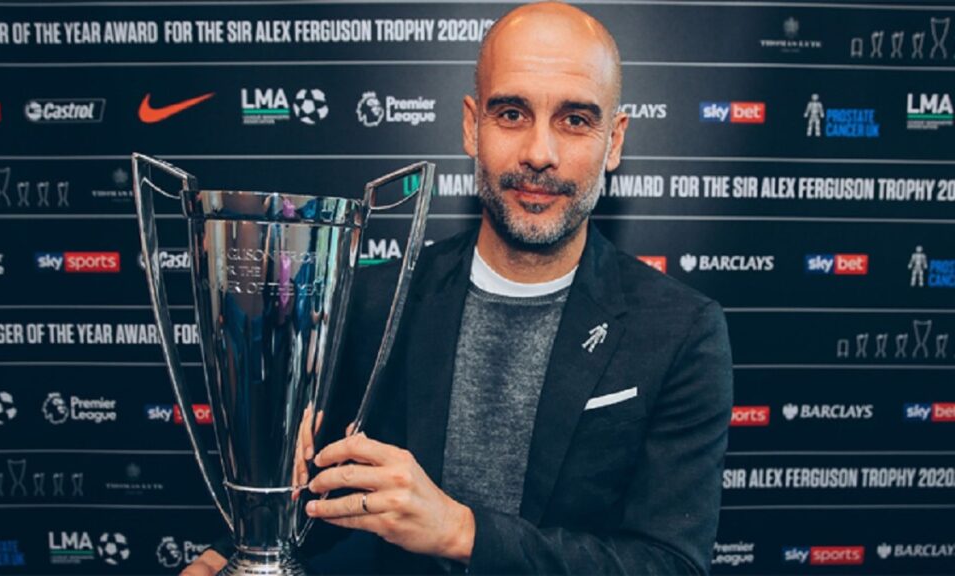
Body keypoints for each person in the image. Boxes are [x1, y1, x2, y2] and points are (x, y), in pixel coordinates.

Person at [185, 2, 732, 574]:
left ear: (613, 141)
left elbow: (670, 563)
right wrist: (239, 551)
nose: (539, 154)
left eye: (574, 120)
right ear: (472, 126)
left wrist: (462, 532)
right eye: (512, 113)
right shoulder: (375, 301)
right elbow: (320, 491)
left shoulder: (679, 332)